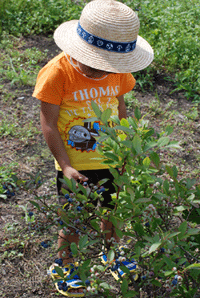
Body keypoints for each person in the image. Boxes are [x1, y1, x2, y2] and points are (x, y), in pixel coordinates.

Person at [33, 0, 154, 295]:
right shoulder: (56, 74)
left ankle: (110, 253)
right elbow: (48, 124)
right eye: (97, 64)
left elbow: (119, 104)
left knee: (111, 212)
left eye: (109, 66)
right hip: (76, 164)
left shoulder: (117, 71)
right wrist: (66, 165)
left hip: (112, 159)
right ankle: (65, 263)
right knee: (73, 218)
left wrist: (126, 147)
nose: (103, 72)